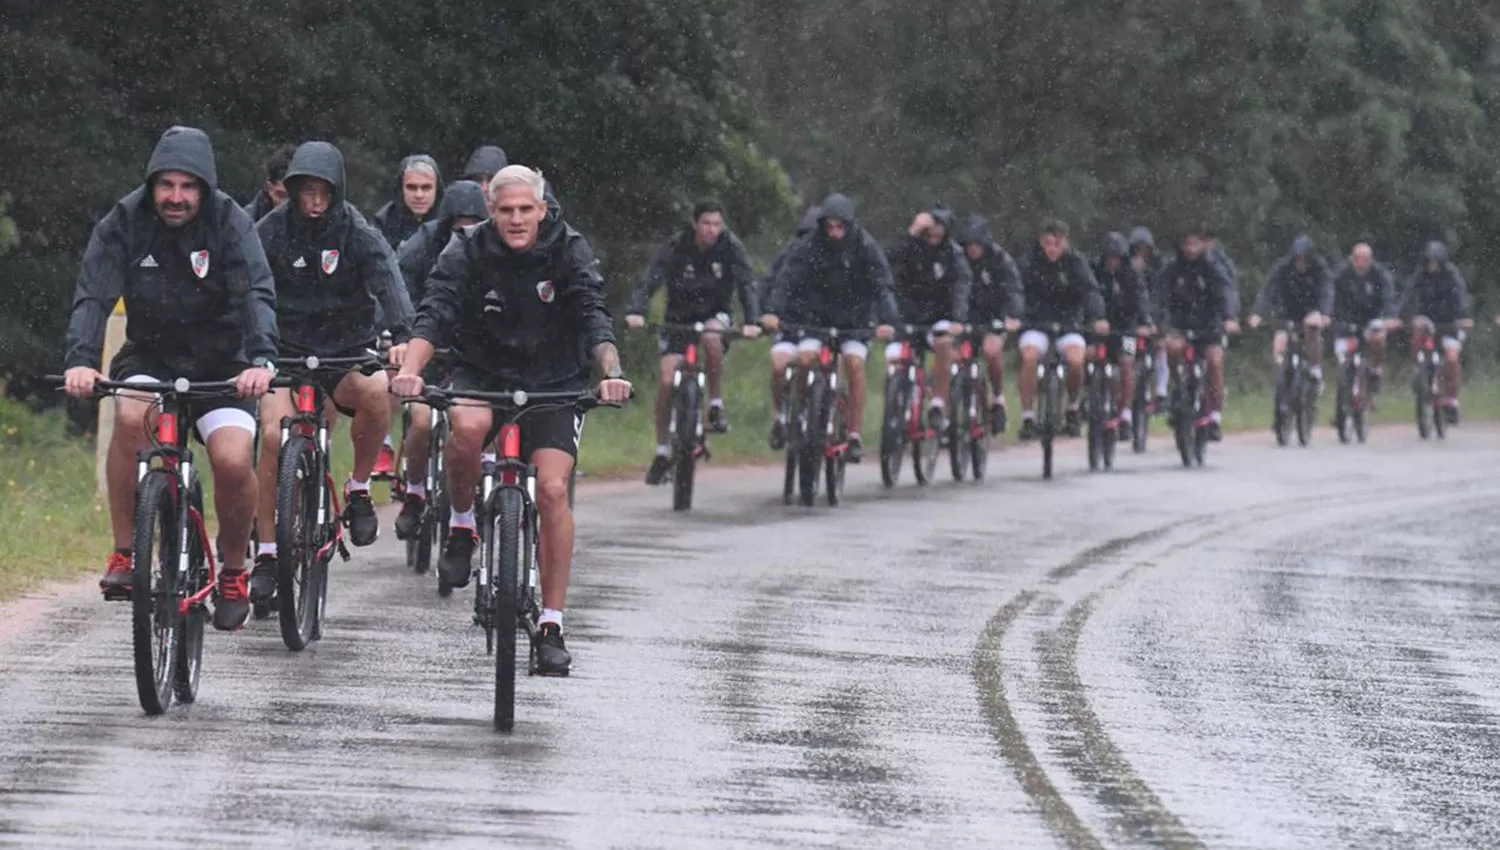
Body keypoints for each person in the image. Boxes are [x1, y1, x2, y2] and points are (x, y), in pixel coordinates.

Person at [392, 165, 631, 677]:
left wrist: (610, 373)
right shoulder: (467, 250)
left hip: (556, 382)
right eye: (506, 210)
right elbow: (434, 312)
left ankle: (551, 623)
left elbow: (594, 316)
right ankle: (461, 526)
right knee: (468, 430)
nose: (517, 219)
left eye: (526, 209)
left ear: (542, 210)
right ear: (491, 211)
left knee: (550, 489)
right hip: (483, 373)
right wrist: (411, 370)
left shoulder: (569, 248)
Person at [61, 125, 278, 632]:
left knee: (230, 459)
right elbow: (93, 293)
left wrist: (261, 360)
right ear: (152, 184)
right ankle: (123, 554)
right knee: (129, 414)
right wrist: (81, 359)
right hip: (152, 356)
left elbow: (256, 294)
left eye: (188, 187)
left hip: (225, 366)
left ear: (204, 188)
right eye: (167, 186)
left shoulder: (231, 224)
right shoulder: (123, 221)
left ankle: (232, 571)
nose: (176, 198)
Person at [249, 141, 414, 601]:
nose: (316, 202)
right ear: (294, 190)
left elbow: (387, 278)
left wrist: (402, 334)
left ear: (336, 192)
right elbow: (248, 288)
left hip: (344, 349)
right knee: (270, 438)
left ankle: (359, 488)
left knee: (379, 390)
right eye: (307, 192)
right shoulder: (270, 231)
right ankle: (265, 552)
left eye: (325, 192)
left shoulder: (356, 230)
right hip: (284, 352)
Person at [625, 200, 760, 484]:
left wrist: (752, 320)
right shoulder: (677, 246)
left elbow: (747, 283)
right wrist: (637, 310)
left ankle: (715, 403)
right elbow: (651, 278)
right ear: (695, 224)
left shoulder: (731, 248)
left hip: (716, 314)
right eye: (706, 224)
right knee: (665, 381)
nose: (712, 230)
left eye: (717, 224)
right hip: (679, 319)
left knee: (712, 339)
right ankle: (662, 451)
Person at [761, 193, 898, 462]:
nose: (835, 233)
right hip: (817, 321)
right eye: (830, 226)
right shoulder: (809, 246)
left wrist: (887, 321)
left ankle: (854, 434)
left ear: (849, 225)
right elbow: (787, 279)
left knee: (854, 364)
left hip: (855, 323)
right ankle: (801, 410)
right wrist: (773, 312)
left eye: (840, 226)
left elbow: (883, 285)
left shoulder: (866, 246)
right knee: (805, 359)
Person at [390, 180, 490, 538]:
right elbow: (396, 288)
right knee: (419, 419)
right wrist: (403, 338)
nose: (464, 233)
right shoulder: (421, 247)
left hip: (475, 354)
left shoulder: (495, 247)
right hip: (429, 344)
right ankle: (415, 492)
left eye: (472, 224)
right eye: (457, 225)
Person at [1015, 218, 1108, 440]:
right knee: (1029, 357)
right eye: (1047, 243)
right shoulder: (1029, 261)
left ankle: (1073, 406)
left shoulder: (1076, 262)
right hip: (1036, 324)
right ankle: (1028, 417)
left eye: (1057, 243)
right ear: (1040, 241)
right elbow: (1015, 289)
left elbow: (1090, 291)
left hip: (1069, 325)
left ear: (1065, 242)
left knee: (1076, 360)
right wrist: (1015, 316)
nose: (1052, 249)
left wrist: (1097, 317)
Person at [885, 205, 972, 439]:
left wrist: (958, 319)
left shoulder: (953, 255)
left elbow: (961, 286)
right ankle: (897, 409)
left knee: (944, 344)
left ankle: (937, 404)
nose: (933, 235)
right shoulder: (910, 248)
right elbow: (887, 262)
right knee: (893, 360)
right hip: (908, 317)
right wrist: (912, 231)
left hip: (939, 318)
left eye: (938, 230)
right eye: (928, 231)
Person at [1156, 225, 1240, 440]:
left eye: (1195, 244)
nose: (1190, 249)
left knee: (1214, 361)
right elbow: (1159, 298)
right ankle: (1178, 388)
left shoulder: (1214, 268)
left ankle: (1214, 414)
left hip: (1210, 326)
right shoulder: (1172, 269)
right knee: (1172, 348)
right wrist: (1157, 321)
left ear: (1203, 245)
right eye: (1187, 244)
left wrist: (1229, 317)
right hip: (1181, 326)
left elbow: (1226, 292)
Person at [961, 215, 1023, 433]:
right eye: (969, 244)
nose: (972, 250)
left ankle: (998, 397)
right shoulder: (958, 257)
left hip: (994, 317)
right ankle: (955, 412)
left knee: (990, 351)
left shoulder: (1000, 259)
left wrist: (1011, 316)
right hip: (965, 318)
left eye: (977, 244)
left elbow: (1013, 290)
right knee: (953, 358)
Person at [764, 205, 819, 445]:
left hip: (820, 329)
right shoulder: (788, 257)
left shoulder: (837, 260)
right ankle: (780, 416)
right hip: (789, 325)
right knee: (778, 367)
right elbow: (772, 285)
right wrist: (765, 314)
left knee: (815, 362)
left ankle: (824, 413)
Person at [1248, 235, 1333, 388]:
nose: (1300, 263)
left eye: (1304, 259)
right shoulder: (1282, 268)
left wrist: (1324, 313)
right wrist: (1257, 313)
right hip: (1287, 312)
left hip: (1311, 311)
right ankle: (1282, 370)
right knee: (1280, 340)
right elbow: (1267, 291)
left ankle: (1315, 368)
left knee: (1312, 331)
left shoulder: (1320, 269)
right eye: (1297, 258)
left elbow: (1327, 291)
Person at [1403, 240, 1474, 423]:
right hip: (1428, 319)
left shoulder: (1452, 275)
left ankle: (1451, 400)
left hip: (1450, 322)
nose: (1431, 265)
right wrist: (1398, 314)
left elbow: (1461, 296)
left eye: (1435, 261)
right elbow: (1408, 294)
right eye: (1428, 261)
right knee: (1417, 331)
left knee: (1451, 359)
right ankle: (1417, 368)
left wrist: (1463, 317)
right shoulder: (1420, 275)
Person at [1092, 232, 1153, 434]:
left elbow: (1142, 299)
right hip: (1099, 328)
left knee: (1127, 361)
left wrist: (1145, 322)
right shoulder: (1094, 273)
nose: (1112, 262)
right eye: (1109, 257)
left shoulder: (1132, 275)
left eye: (1116, 258)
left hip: (1126, 329)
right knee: (1087, 358)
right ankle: (1090, 397)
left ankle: (1125, 411)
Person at [1329, 242, 1399, 401]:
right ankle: (1343, 399)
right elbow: (1330, 296)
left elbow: (1389, 298)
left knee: (1378, 340)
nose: (1361, 263)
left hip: (1372, 319)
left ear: (1371, 259)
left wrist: (1390, 318)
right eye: (1357, 258)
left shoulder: (1380, 275)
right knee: (1342, 357)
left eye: (1365, 259)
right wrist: (1327, 316)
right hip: (1347, 321)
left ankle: (1375, 371)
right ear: (1352, 259)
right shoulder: (1341, 274)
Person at [372, 154, 442, 250]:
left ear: (437, 189)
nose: (419, 195)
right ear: (401, 189)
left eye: (426, 188)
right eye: (411, 187)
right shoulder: (384, 222)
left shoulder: (448, 220)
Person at [243, 143, 296, 222]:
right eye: (281, 196)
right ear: (269, 188)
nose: (286, 204)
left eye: (294, 198)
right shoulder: (246, 222)